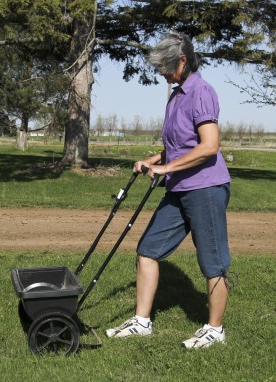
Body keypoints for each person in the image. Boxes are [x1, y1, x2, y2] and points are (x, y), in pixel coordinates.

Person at [106, 32, 232, 349]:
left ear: (183, 60)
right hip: (179, 188)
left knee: (213, 263)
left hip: (206, 187)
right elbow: (178, 147)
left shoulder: (201, 92)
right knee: (148, 250)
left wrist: (166, 169)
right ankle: (142, 322)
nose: (161, 72)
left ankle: (215, 329)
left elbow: (209, 146)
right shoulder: (176, 95)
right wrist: (152, 161)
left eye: (165, 66)